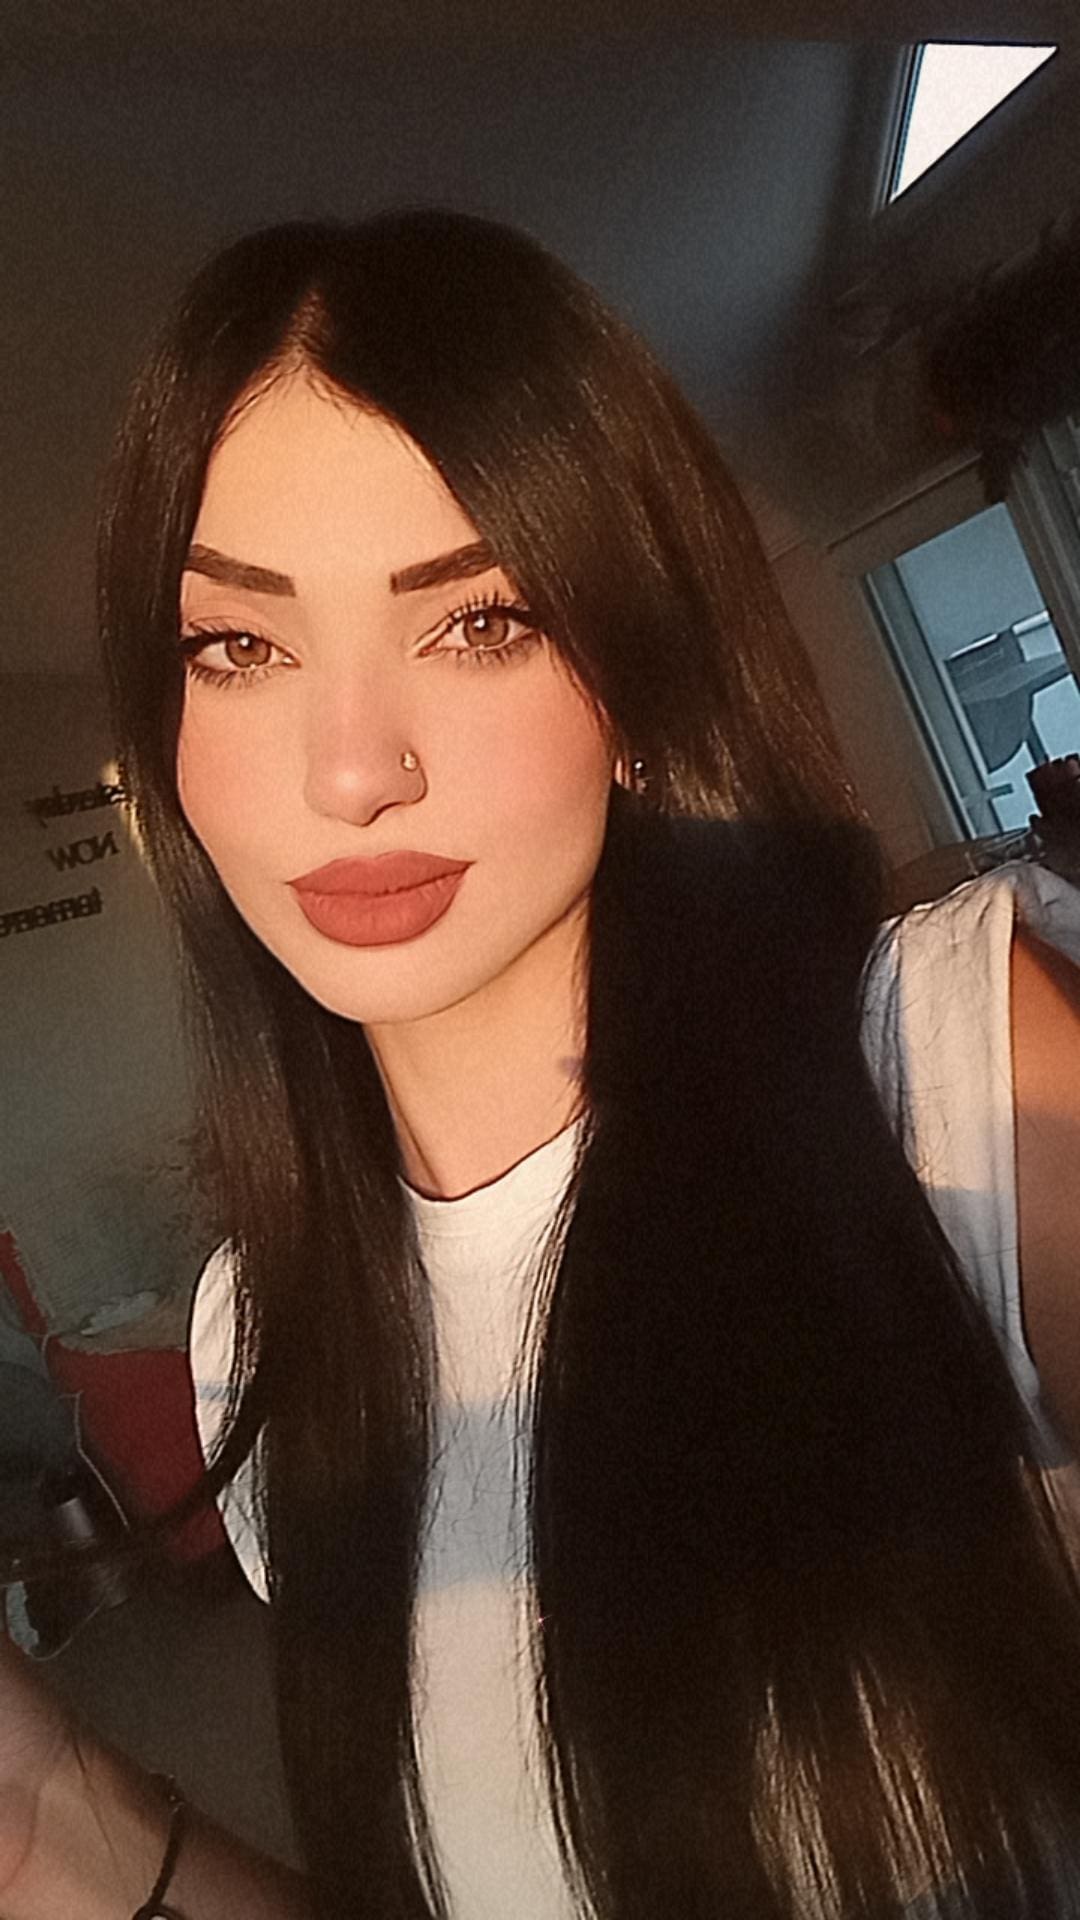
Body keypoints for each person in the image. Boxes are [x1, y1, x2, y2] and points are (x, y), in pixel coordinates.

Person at [2, 208, 1080, 1920]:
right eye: (241, 647)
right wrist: (59, 1809)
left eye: (479, 621)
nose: (352, 771)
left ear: (637, 678)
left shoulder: (958, 1073)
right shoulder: (253, 1335)